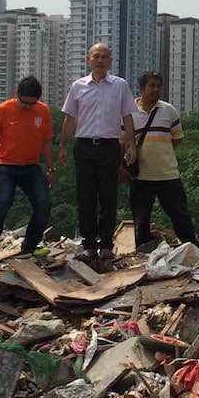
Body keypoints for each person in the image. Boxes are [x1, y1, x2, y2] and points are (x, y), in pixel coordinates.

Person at [59, 43, 137, 264]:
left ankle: (106, 245)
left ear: (110, 61)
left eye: (104, 57)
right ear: (88, 60)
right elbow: (69, 118)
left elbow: (128, 117)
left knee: (108, 196)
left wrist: (131, 144)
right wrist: (63, 145)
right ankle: (88, 245)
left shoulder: (120, 85)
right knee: (85, 197)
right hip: (83, 146)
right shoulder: (78, 86)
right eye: (96, 56)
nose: (100, 60)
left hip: (110, 147)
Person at [0, 75, 54, 260]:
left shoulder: (43, 112)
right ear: (16, 95)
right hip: (4, 164)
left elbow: (47, 142)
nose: (27, 107)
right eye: (24, 103)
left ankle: (30, 246)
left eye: (31, 104)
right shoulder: (3, 110)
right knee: (3, 201)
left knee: (43, 203)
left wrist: (50, 167)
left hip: (30, 166)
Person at [128, 70, 197, 248]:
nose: (156, 89)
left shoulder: (168, 110)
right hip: (141, 176)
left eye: (159, 86)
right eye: (152, 85)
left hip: (168, 174)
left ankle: (193, 250)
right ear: (142, 88)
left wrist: (160, 152)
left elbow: (177, 138)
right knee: (141, 220)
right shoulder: (129, 112)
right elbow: (123, 141)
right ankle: (143, 255)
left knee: (180, 216)